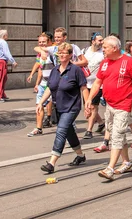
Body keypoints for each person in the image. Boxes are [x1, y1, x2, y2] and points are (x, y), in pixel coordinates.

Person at [86, 36, 132, 181]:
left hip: (123, 105)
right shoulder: (105, 63)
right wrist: (89, 99)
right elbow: (97, 82)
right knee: (115, 134)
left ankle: (110, 168)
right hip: (109, 104)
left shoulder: (129, 62)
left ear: (115, 48)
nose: (103, 49)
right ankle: (126, 163)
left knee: (117, 135)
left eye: (105, 47)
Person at [39, 42, 89, 173]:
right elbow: (49, 88)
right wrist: (41, 103)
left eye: (64, 53)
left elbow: (84, 88)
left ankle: (51, 162)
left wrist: (88, 104)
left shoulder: (75, 70)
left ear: (70, 55)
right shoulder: (55, 70)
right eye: (59, 53)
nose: (61, 55)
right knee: (68, 131)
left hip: (72, 106)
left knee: (61, 130)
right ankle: (80, 155)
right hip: (58, 106)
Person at [27, 33, 54, 136]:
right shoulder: (40, 54)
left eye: (44, 42)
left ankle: (69, 126)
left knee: (60, 106)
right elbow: (40, 68)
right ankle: (39, 128)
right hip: (44, 83)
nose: (42, 44)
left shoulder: (53, 52)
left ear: (50, 42)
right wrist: (36, 82)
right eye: (40, 42)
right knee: (39, 105)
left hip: (54, 83)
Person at [82, 33, 106, 139]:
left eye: (102, 40)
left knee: (93, 106)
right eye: (99, 40)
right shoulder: (85, 51)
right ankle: (101, 123)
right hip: (85, 83)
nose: (101, 42)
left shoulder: (103, 53)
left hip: (98, 84)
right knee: (88, 106)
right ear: (93, 41)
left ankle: (89, 130)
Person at [0, 29, 17, 102]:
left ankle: (2, 94)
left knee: (3, 78)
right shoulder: (4, 43)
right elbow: (6, 53)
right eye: (6, 34)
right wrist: (13, 61)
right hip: (1, 62)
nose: (7, 36)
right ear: (4, 35)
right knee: (1, 79)